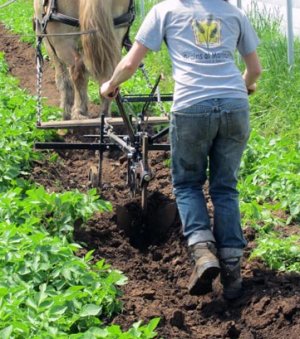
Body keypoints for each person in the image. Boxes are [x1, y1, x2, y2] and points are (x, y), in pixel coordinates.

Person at [101, 0, 262, 300]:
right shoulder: (235, 13)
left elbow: (130, 64)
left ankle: (202, 252)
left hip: (191, 108)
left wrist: (110, 85)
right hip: (235, 106)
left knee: (188, 184)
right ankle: (233, 275)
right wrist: (244, 87)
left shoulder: (165, 10)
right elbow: (255, 70)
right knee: (226, 188)